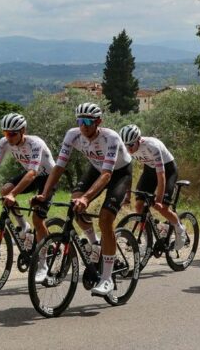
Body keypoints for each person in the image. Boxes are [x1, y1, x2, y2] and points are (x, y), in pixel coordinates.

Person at [32, 102, 133, 296]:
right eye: (80, 121)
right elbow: (59, 167)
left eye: (88, 121)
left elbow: (107, 175)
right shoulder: (73, 135)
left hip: (119, 173)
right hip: (95, 168)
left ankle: (107, 278)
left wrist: (87, 198)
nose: (84, 125)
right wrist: (44, 194)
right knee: (75, 204)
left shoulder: (110, 137)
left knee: (105, 219)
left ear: (98, 122)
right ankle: (95, 244)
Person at [0, 112, 54, 282]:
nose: (8, 137)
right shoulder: (4, 143)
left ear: (23, 130)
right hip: (32, 174)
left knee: (38, 219)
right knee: (4, 190)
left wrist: (13, 194)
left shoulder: (35, 143)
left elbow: (32, 173)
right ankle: (24, 227)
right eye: (5, 133)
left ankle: (43, 264)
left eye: (12, 134)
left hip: (48, 178)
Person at [119, 125, 187, 251]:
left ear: (139, 140)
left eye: (131, 145)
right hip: (150, 170)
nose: (128, 149)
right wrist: (127, 195)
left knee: (163, 208)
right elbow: (126, 173)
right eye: (125, 145)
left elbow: (161, 176)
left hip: (167, 170)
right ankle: (148, 239)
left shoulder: (152, 146)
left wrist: (159, 201)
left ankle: (179, 228)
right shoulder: (126, 148)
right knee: (139, 206)